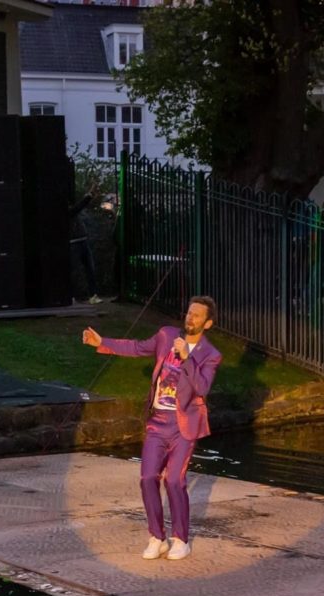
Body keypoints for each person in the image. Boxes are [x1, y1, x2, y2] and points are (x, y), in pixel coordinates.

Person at [82, 296, 222, 561]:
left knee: (174, 480)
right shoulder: (166, 336)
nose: (190, 318)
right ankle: (157, 537)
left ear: (208, 323)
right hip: (157, 421)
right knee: (148, 478)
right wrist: (102, 343)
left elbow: (202, 388)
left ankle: (181, 539)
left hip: (183, 426)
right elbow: (136, 348)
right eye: (189, 313)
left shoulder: (210, 355)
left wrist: (187, 358)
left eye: (197, 315)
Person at [69, 167, 102, 304]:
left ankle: (93, 295)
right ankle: (72, 295)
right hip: (74, 242)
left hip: (82, 240)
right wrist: (89, 194)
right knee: (75, 270)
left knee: (89, 269)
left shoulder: (72, 211)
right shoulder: (69, 212)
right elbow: (79, 207)